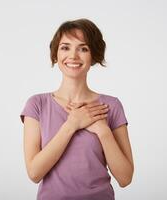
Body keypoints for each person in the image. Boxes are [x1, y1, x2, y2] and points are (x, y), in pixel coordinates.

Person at [20, 18, 134, 200]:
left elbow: (125, 178)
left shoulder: (111, 106)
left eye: (83, 48)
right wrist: (72, 124)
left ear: (94, 56)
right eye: (65, 47)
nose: (73, 56)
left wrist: (103, 131)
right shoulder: (37, 104)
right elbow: (34, 173)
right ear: (56, 55)